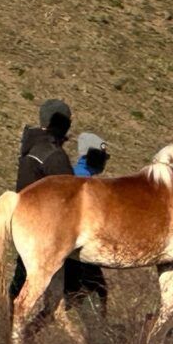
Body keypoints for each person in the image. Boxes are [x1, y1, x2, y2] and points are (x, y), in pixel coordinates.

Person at [9, 99, 74, 303]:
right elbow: (72, 198)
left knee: (19, 285)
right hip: (50, 233)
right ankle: (99, 335)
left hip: (27, 226)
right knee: (89, 287)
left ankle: (7, 328)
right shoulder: (53, 156)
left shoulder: (31, 149)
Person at [66, 132, 110, 316]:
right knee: (96, 290)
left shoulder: (72, 174)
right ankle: (99, 342)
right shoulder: (85, 182)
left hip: (72, 248)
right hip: (81, 249)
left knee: (64, 302)